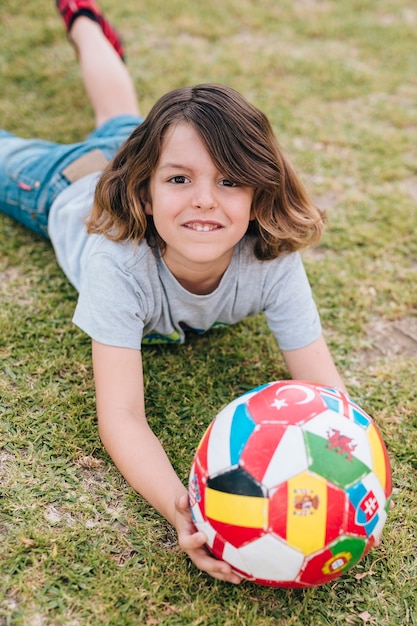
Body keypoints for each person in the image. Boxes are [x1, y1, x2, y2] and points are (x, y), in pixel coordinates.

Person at [0, 0, 347, 584]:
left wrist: (358, 466)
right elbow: (122, 417)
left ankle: (83, 17)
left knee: (120, 118)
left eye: (230, 180)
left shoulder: (272, 260)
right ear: (147, 188)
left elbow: (324, 389)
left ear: (261, 193)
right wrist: (181, 507)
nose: (205, 199)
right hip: (65, 185)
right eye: (180, 180)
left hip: (131, 153)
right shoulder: (119, 264)